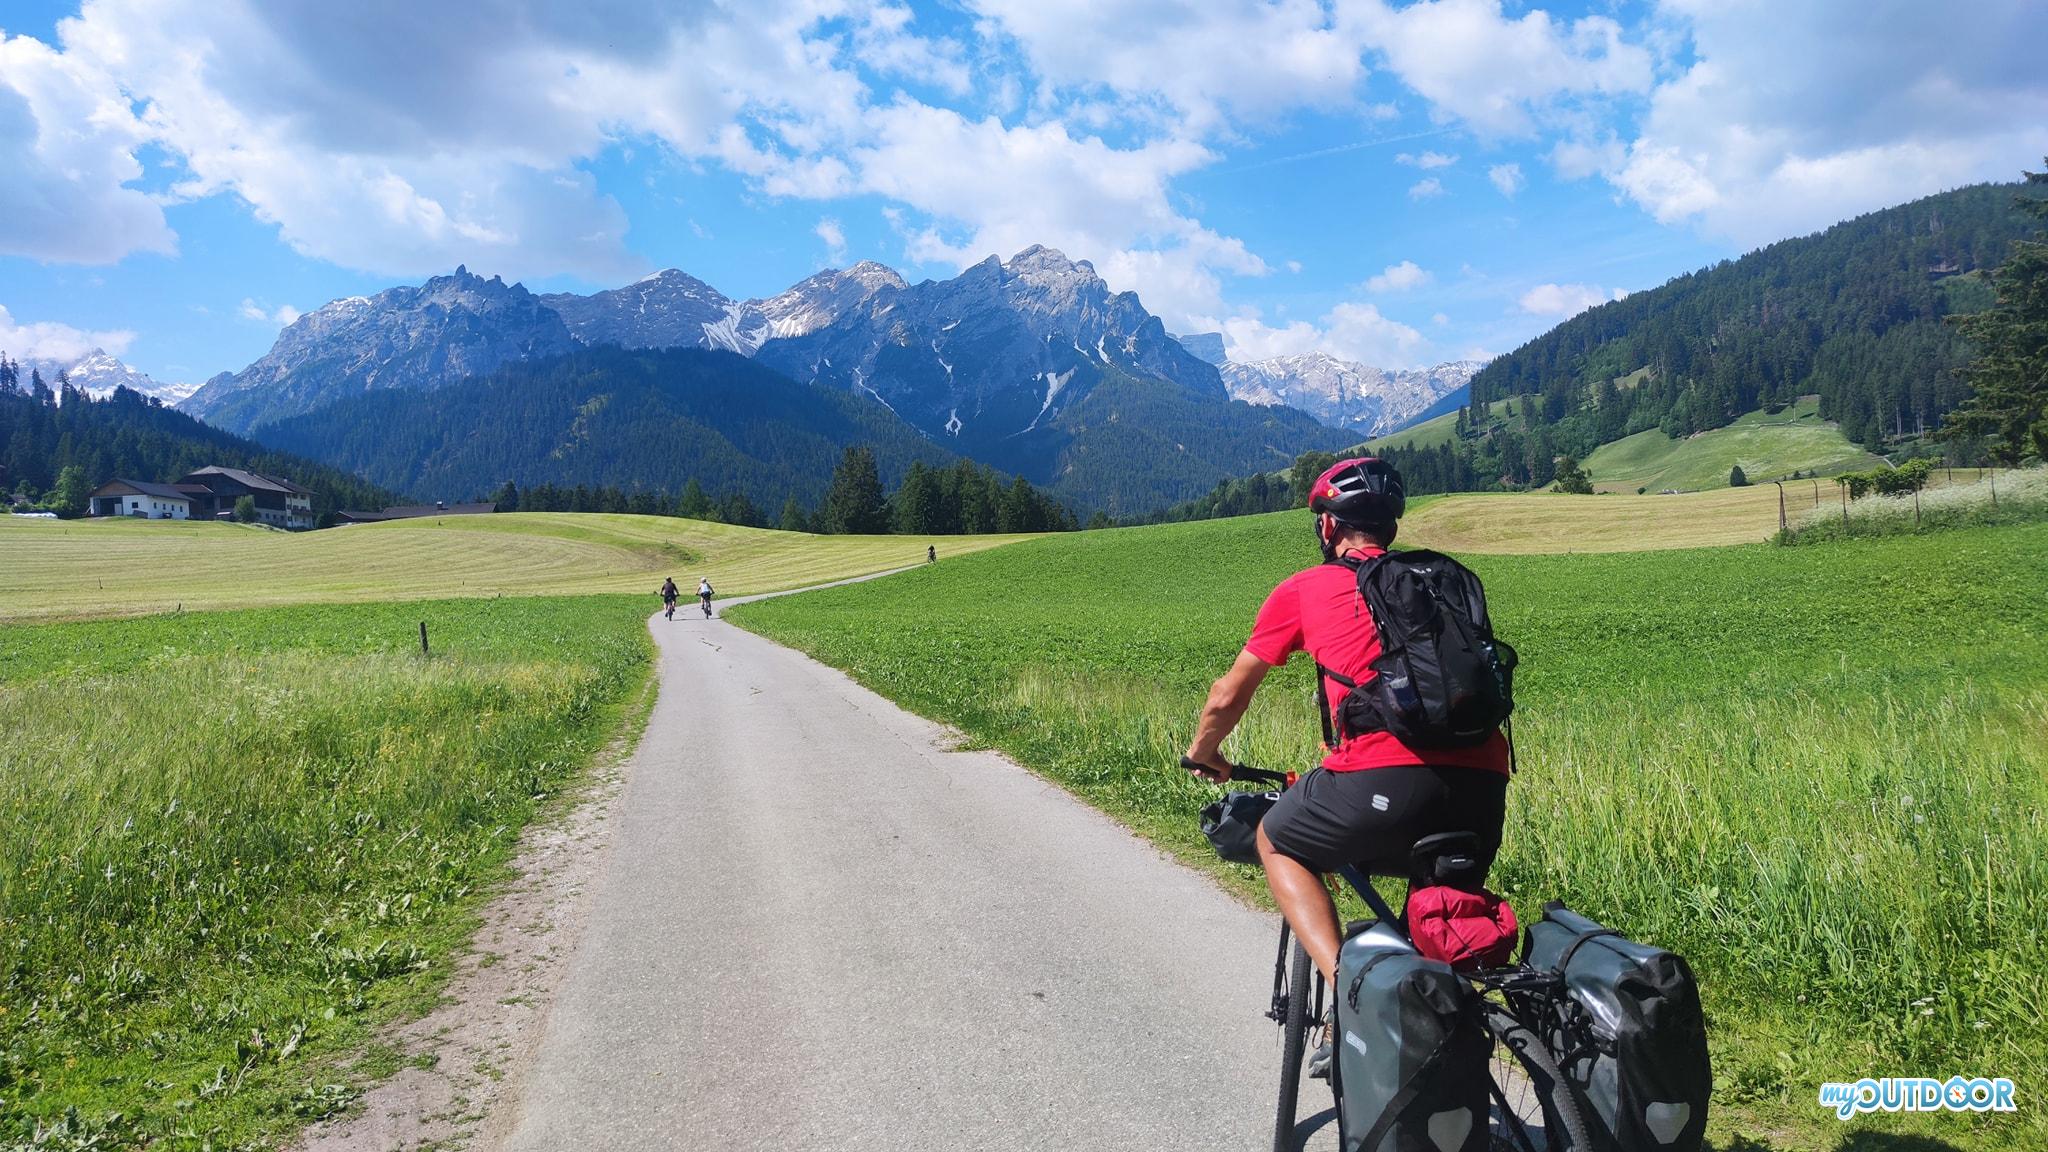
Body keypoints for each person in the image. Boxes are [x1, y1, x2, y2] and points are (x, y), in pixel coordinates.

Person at [1183, 456, 1510, 1007]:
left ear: (1328, 526)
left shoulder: (1305, 588)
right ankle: (1446, 1034)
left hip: (1378, 780)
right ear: (1393, 528)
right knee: (1437, 928)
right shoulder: (1441, 583)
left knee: (1278, 840)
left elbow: (1227, 695)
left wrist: (1203, 752)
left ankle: (1349, 996)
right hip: (1483, 788)